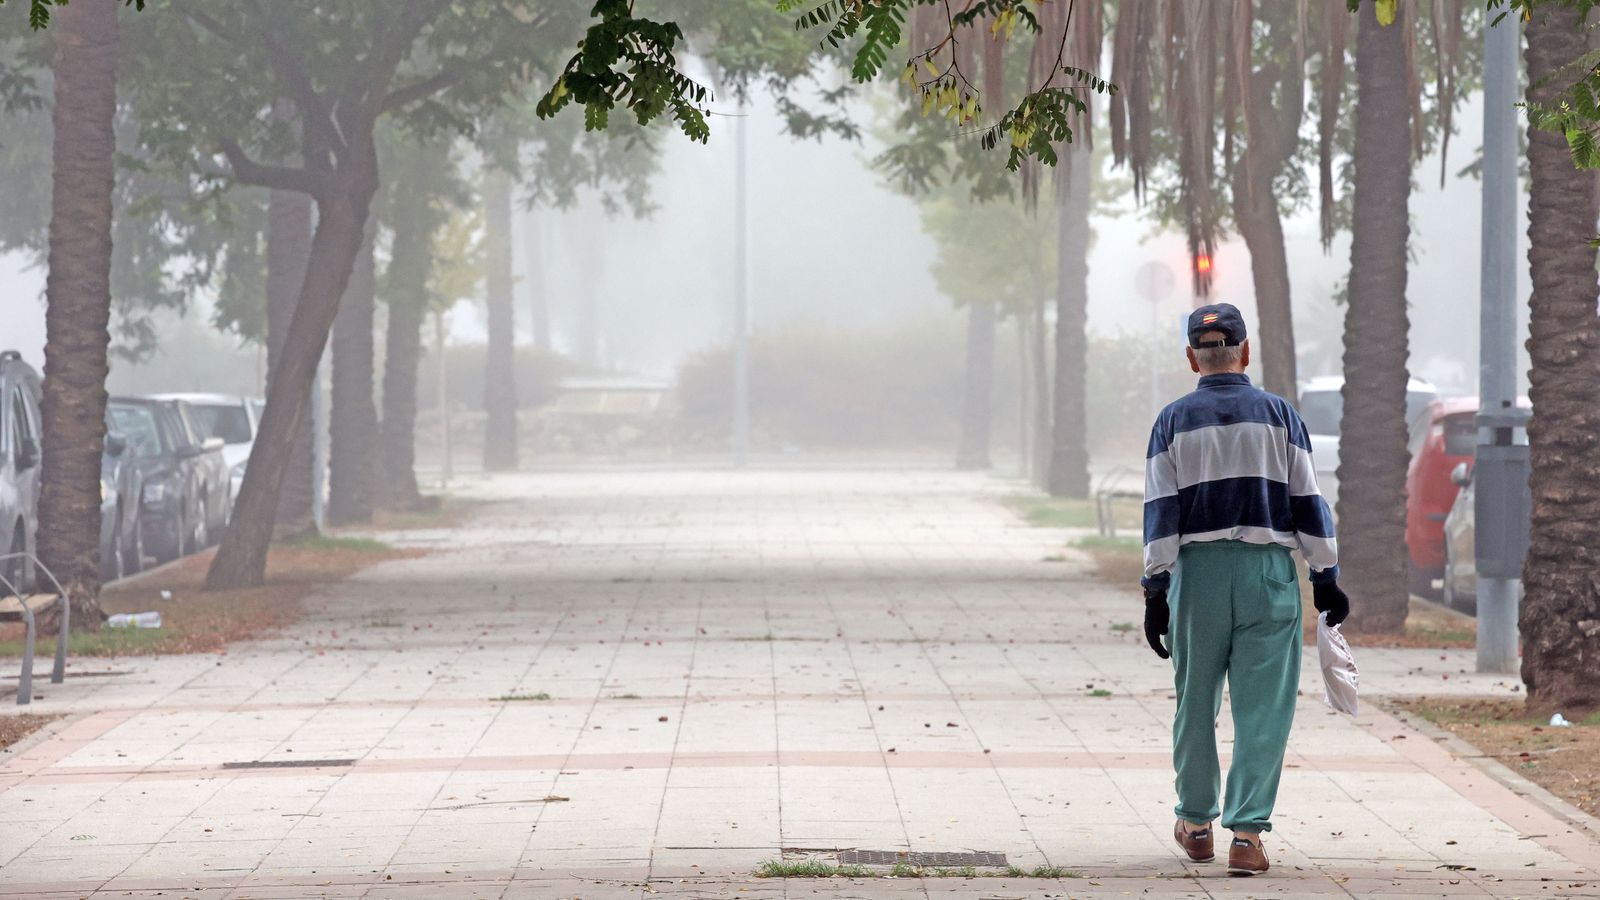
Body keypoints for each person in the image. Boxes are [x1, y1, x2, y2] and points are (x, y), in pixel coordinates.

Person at [1140, 303, 1350, 876]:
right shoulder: (1280, 416)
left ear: (1191, 359)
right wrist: (1325, 575)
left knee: (1194, 703)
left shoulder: (1172, 422)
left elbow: (1161, 513)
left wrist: (1155, 590)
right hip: (1268, 576)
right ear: (1246, 352)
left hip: (1197, 574)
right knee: (1264, 710)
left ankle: (1196, 823)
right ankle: (1248, 836)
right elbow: (1308, 499)